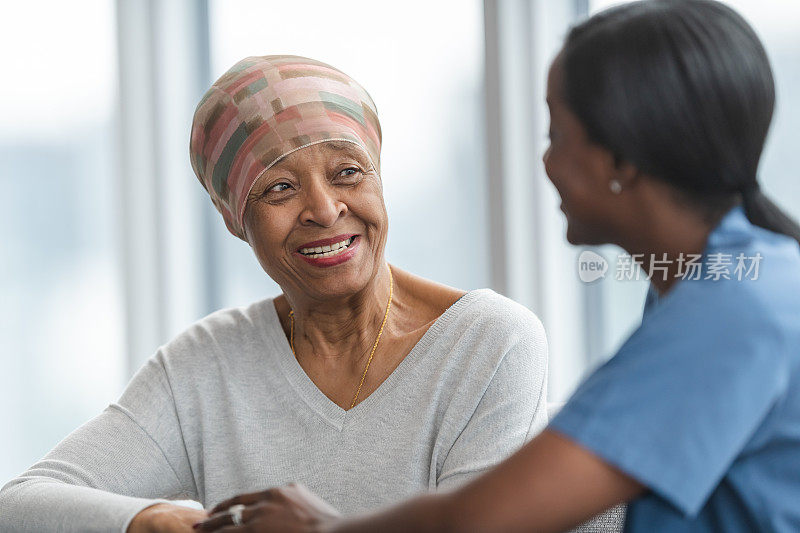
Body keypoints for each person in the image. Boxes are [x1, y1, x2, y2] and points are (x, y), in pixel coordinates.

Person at [195, 2, 800, 532]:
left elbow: (486, 520)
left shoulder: (730, 316)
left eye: (556, 134)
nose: (547, 163)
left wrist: (325, 529)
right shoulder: (735, 285)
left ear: (621, 160)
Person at [0, 55, 549, 532]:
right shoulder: (208, 365)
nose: (325, 209)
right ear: (234, 218)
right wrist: (155, 519)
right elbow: (19, 505)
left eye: (348, 173)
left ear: (379, 180)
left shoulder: (490, 341)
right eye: (280, 188)